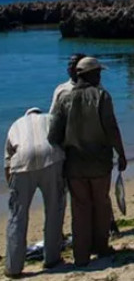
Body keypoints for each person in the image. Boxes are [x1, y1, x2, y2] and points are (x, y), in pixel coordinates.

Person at [48, 57, 127, 268]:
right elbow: (111, 128)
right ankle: (101, 247)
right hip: (100, 162)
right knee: (101, 205)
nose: (100, 76)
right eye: (98, 72)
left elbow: (53, 135)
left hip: (74, 164)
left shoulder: (64, 99)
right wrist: (121, 153)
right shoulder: (102, 96)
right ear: (90, 75)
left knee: (80, 209)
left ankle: (81, 255)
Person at [4, 108, 66, 278]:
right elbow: (62, 142)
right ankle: (52, 258)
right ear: (39, 114)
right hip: (51, 157)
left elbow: (8, 163)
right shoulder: (49, 119)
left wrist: (13, 187)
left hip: (22, 162)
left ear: (26, 115)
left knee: (17, 216)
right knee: (54, 210)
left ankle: (13, 267)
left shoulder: (15, 125)